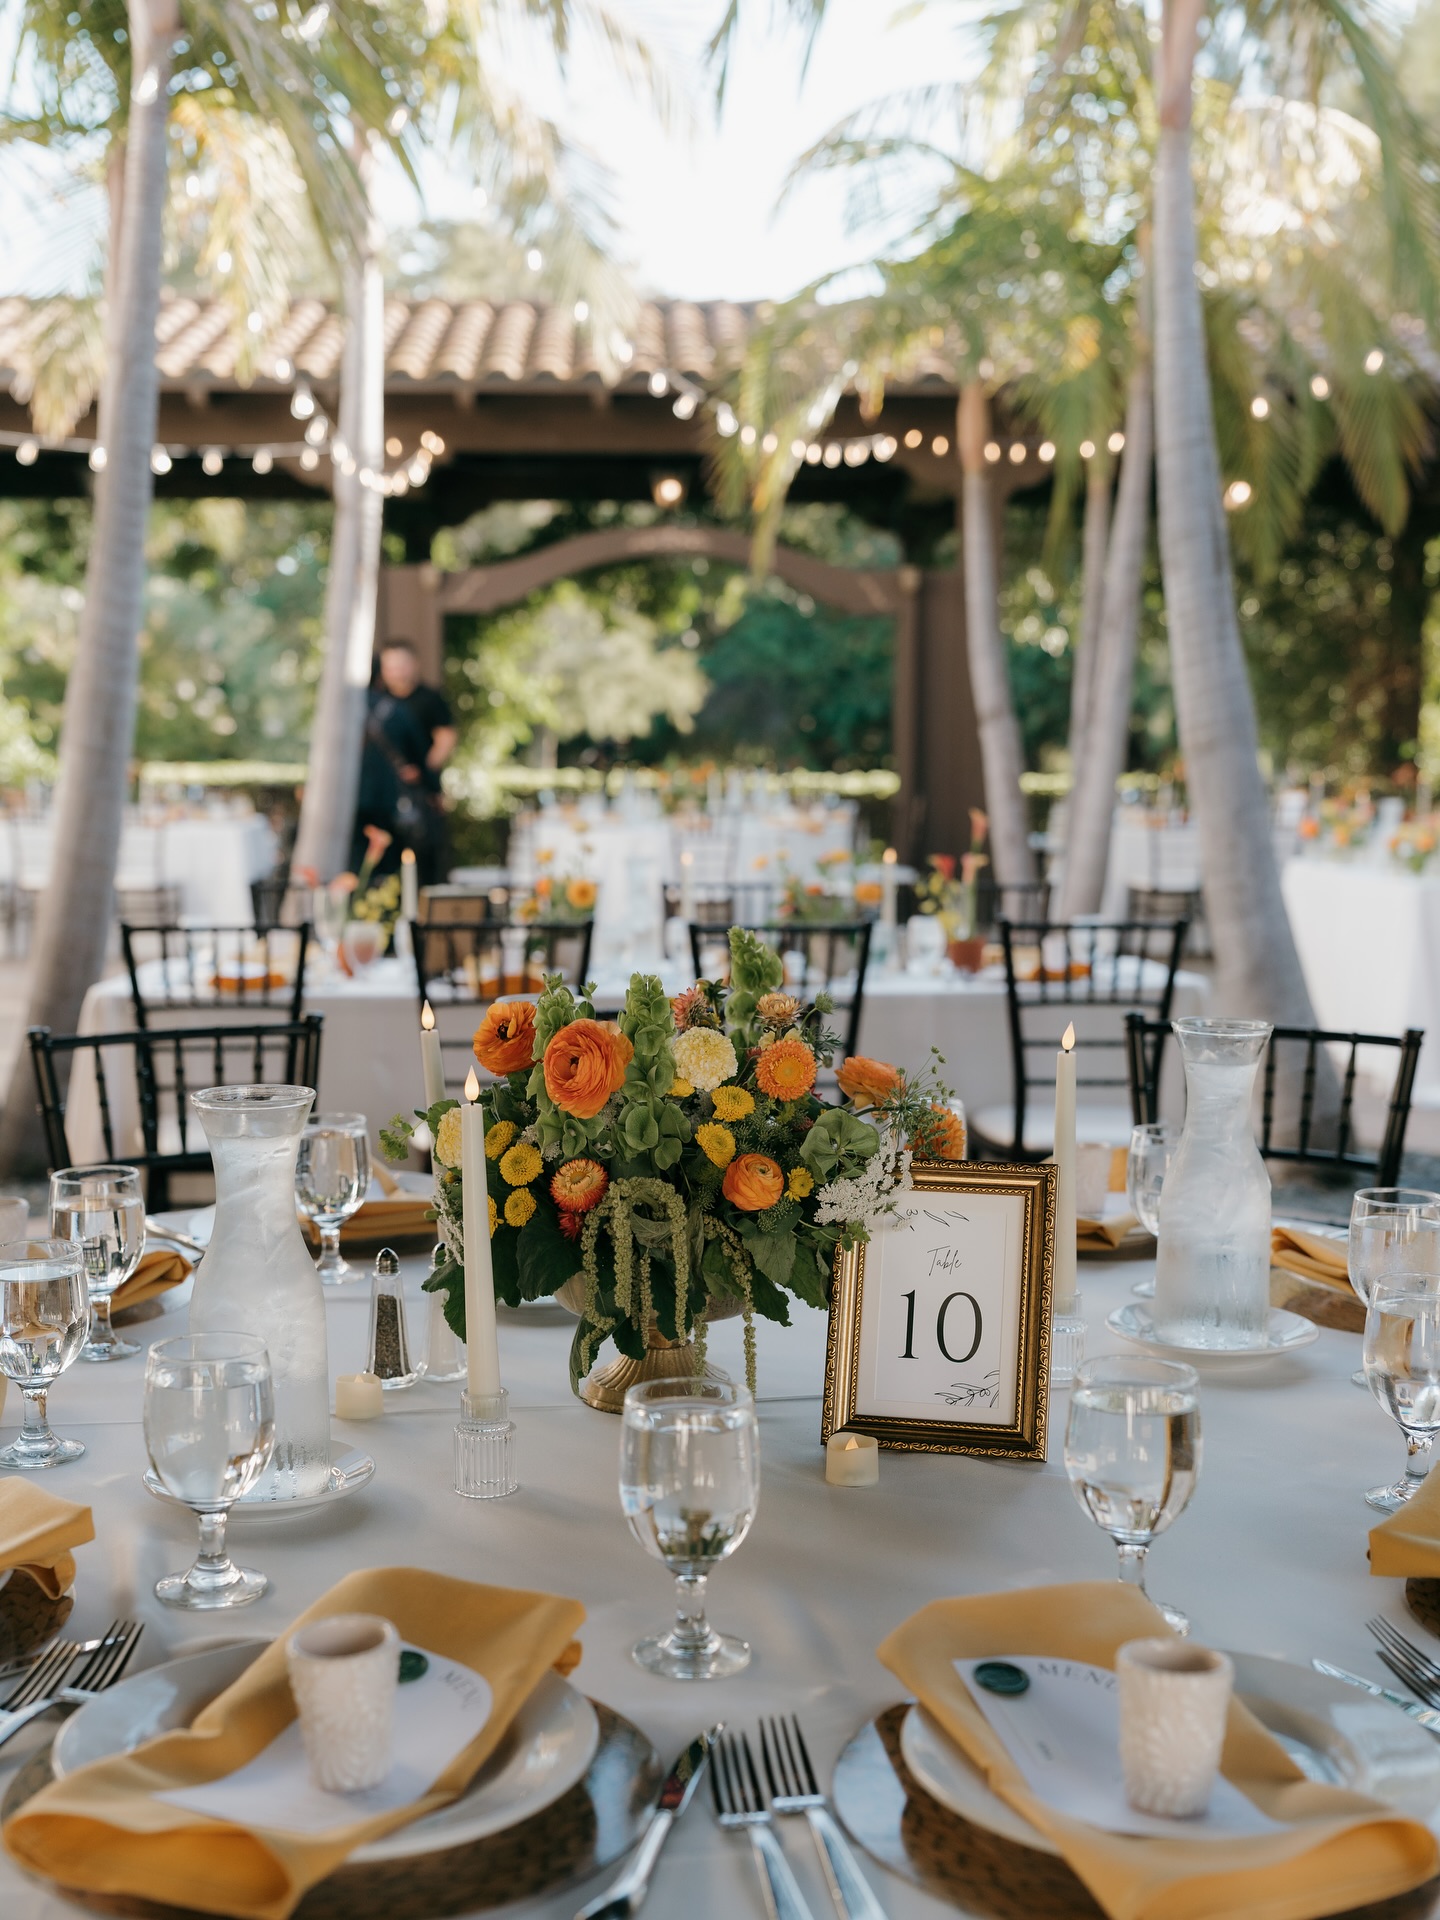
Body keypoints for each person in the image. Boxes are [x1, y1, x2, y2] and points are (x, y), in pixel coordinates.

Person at [353, 638, 458, 885]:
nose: (397, 672)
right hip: (379, 799)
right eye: (391, 666)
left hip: (412, 794)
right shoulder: (374, 704)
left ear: (414, 665)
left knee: (420, 864)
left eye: (402, 665)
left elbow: (445, 739)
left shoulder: (429, 699)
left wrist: (423, 772)